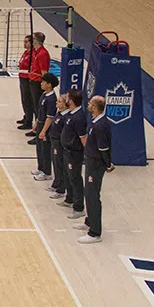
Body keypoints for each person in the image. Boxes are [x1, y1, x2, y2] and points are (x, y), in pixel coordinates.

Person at [78, 95, 113, 244]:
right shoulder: (95, 122)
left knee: (92, 195)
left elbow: (103, 147)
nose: (88, 104)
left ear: (95, 107)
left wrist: (108, 164)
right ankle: (89, 221)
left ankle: (95, 232)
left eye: (91, 103)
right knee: (88, 193)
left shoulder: (100, 126)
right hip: (91, 162)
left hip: (96, 164)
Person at [58, 89, 88, 219]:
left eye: (67, 98)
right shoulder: (71, 114)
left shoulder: (79, 117)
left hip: (74, 153)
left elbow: (83, 137)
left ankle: (79, 207)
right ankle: (69, 199)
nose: (65, 99)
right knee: (68, 176)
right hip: (67, 151)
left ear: (71, 101)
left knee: (75, 178)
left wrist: (87, 154)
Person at [31, 73, 59, 180]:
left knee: (45, 150)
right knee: (39, 148)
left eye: (43, 82)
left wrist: (43, 131)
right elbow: (40, 112)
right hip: (40, 123)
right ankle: (41, 168)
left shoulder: (51, 99)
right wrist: (36, 124)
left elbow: (49, 117)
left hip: (46, 126)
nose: (41, 83)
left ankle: (47, 173)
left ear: (49, 84)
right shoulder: (44, 95)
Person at [26, 32, 50, 139]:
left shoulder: (42, 54)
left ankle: (38, 133)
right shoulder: (37, 52)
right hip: (33, 81)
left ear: (36, 40)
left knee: (39, 109)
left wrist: (44, 86)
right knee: (36, 107)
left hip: (38, 83)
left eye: (33, 39)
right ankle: (35, 129)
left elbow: (44, 72)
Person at [46, 92, 69, 198]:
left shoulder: (65, 117)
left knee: (60, 166)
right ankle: (56, 183)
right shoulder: (59, 113)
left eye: (59, 101)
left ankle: (61, 189)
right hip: (54, 142)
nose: (56, 102)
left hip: (59, 145)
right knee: (55, 164)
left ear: (65, 104)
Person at [17, 36, 35, 129]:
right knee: (24, 99)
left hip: (27, 78)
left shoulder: (32, 54)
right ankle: (26, 116)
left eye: (26, 42)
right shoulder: (26, 52)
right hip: (22, 76)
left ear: (31, 43)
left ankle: (28, 121)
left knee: (28, 99)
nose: (24, 43)